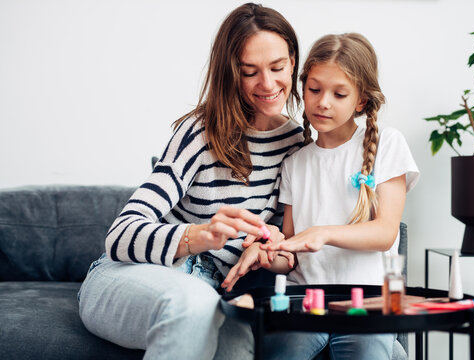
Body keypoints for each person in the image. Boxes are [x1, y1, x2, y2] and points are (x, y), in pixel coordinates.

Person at [77, 3, 303, 360]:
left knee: (235, 336)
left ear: (293, 61)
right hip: (141, 275)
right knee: (196, 303)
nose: (268, 83)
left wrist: (268, 246)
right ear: (231, 73)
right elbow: (119, 236)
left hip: (221, 291)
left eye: (277, 67)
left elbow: (283, 244)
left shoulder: (296, 144)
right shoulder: (200, 133)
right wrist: (197, 236)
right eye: (249, 72)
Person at [223, 33, 419, 360]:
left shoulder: (388, 143)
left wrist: (322, 233)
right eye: (314, 90)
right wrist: (269, 251)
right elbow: (292, 258)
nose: (323, 102)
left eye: (339, 93)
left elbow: (385, 233)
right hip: (304, 304)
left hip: (367, 303)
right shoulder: (294, 164)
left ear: (361, 101)